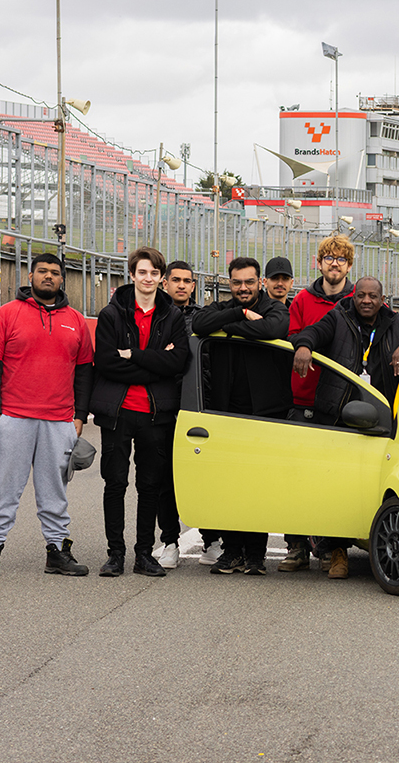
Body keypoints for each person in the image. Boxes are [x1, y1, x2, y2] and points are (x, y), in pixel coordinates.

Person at [290, 276, 399, 578]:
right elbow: (312, 332)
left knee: (374, 484)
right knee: (337, 486)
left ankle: (377, 543)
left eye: (373, 296)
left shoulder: (395, 322)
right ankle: (336, 552)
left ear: (382, 298)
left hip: (381, 418)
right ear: (354, 296)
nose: (366, 301)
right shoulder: (338, 316)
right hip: (338, 415)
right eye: (361, 295)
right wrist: (305, 346)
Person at [0, 253, 93, 578]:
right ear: (31, 275)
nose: (48, 277)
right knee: (5, 489)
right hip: (14, 417)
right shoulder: (6, 315)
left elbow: (84, 372)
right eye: (42, 271)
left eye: (55, 272)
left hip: (59, 420)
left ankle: (57, 552)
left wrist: (80, 416)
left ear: (62, 278)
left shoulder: (75, 320)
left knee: (55, 490)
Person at [91, 247, 189, 578]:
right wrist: (155, 361)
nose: (148, 279)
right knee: (115, 482)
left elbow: (178, 362)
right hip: (118, 411)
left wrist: (132, 355)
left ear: (161, 278)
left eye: (154, 273)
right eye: (142, 273)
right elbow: (106, 363)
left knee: (150, 484)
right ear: (132, 275)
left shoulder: (172, 316)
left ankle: (144, 553)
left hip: (154, 413)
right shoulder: (111, 314)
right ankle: (115, 553)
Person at [192, 257, 291, 576]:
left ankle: (255, 555)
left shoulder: (275, 307)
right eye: (237, 283)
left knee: (258, 486)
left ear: (260, 283)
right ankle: (232, 551)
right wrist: (239, 313)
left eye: (249, 282)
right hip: (224, 413)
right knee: (229, 485)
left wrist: (230, 326)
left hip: (265, 412)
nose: (243, 288)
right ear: (229, 284)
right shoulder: (223, 307)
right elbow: (198, 324)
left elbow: (272, 328)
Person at [277, 235, 357, 573]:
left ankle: (330, 547)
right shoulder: (303, 300)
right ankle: (295, 545)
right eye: (329, 257)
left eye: (341, 258)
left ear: (349, 266)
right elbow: (292, 337)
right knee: (296, 476)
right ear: (319, 263)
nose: (334, 263)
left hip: (341, 402)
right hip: (302, 397)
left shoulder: (361, 300)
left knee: (334, 479)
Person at [158, 259, 222, 566]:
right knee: (164, 479)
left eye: (187, 281)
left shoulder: (203, 319)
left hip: (199, 408)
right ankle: (169, 542)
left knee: (205, 477)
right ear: (165, 283)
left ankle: (212, 541)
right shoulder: (154, 317)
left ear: (194, 286)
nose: (182, 285)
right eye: (176, 280)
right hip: (162, 407)